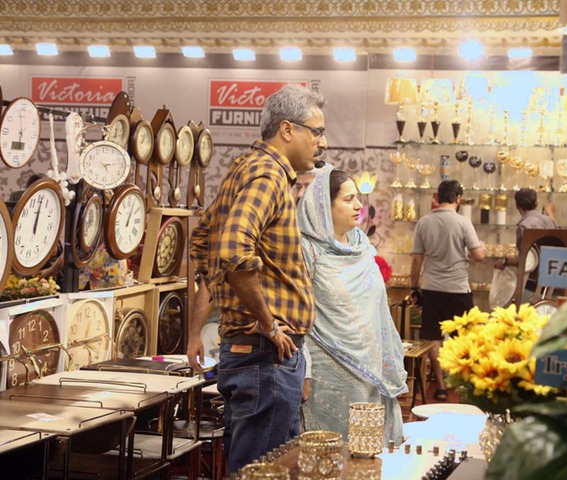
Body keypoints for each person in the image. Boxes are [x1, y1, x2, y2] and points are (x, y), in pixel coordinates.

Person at [188, 84, 327, 473]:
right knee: (262, 471)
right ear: (287, 130)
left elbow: (203, 243)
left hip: (256, 356)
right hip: (266, 357)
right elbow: (232, 251)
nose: (323, 142)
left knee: (252, 467)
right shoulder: (267, 175)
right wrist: (267, 324)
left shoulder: (248, 168)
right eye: (315, 131)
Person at [297, 168, 408, 444]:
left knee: (367, 454)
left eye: (357, 197)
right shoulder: (307, 250)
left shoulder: (361, 246)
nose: (358, 205)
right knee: (331, 457)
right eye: (348, 199)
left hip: (370, 368)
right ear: (324, 206)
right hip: (328, 372)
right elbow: (296, 317)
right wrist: (305, 371)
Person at [409, 179, 486, 401]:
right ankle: (463, 386)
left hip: (431, 288)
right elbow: (479, 256)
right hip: (458, 289)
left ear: (437, 197)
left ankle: (441, 386)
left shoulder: (424, 222)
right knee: (465, 338)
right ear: (458, 199)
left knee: (434, 337)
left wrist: (415, 287)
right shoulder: (463, 222)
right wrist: (484, 248)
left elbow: (416, 260)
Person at [493, 187, 557, 272]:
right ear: (536, 203)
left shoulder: (524, 226)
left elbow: (526, 260)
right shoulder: (550, 221)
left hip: (533, 277)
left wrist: (505, 262)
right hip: (554, 271)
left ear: (517, 206)